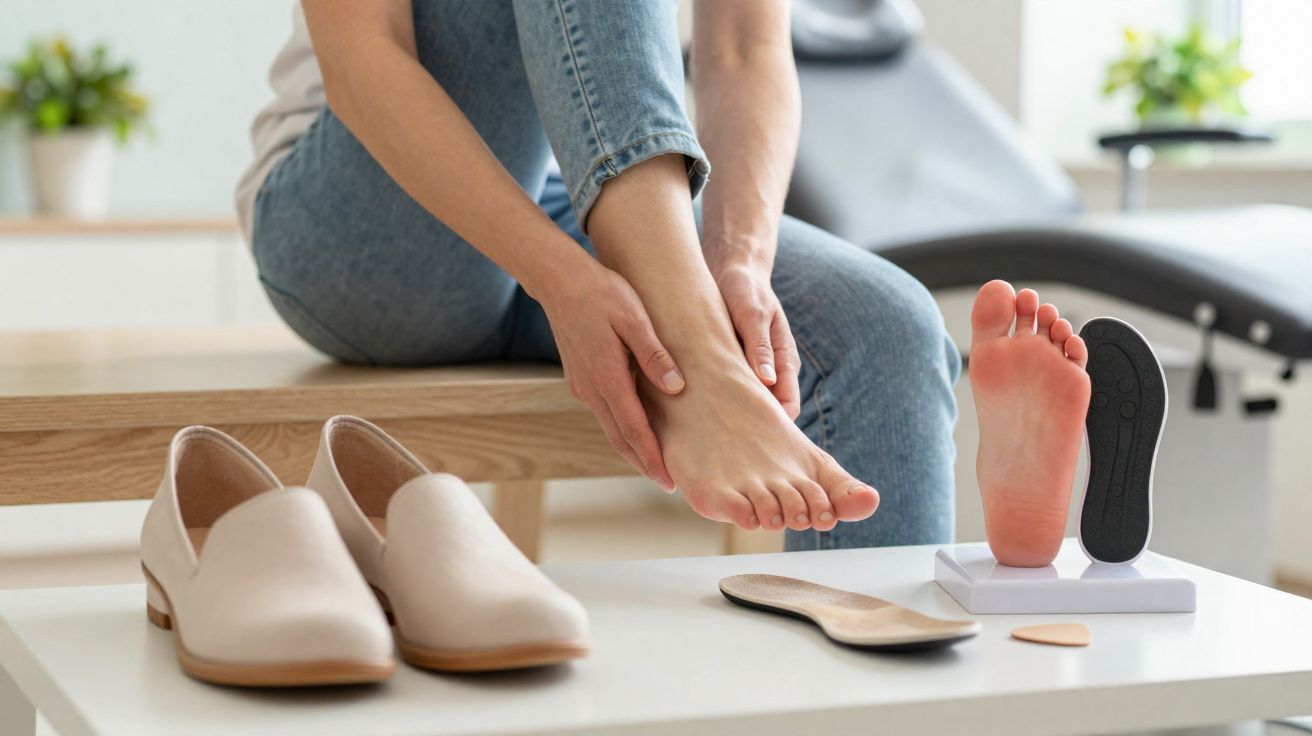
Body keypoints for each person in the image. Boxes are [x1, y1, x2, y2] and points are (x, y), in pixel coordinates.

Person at [236, 0, 962, 551]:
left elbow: (745, 49)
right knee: (700, 322)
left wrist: (741, 258)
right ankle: (700, 352)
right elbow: (364, 62)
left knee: (883, 328)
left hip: (580, 202)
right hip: (365, 232)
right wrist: (565, 280)